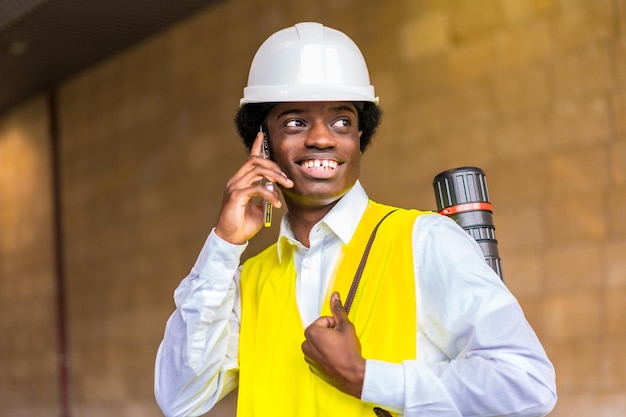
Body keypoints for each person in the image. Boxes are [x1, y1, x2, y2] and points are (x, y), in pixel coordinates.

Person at [154, 22, 557, 417]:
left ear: (359, 136)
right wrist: (224, 245)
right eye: (295, 121)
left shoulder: (424, 241)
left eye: (341, 121)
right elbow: (179, 399)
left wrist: (366, 377)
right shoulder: (247, 282)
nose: (322, 137)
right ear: (262, 143)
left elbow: (527, 384)